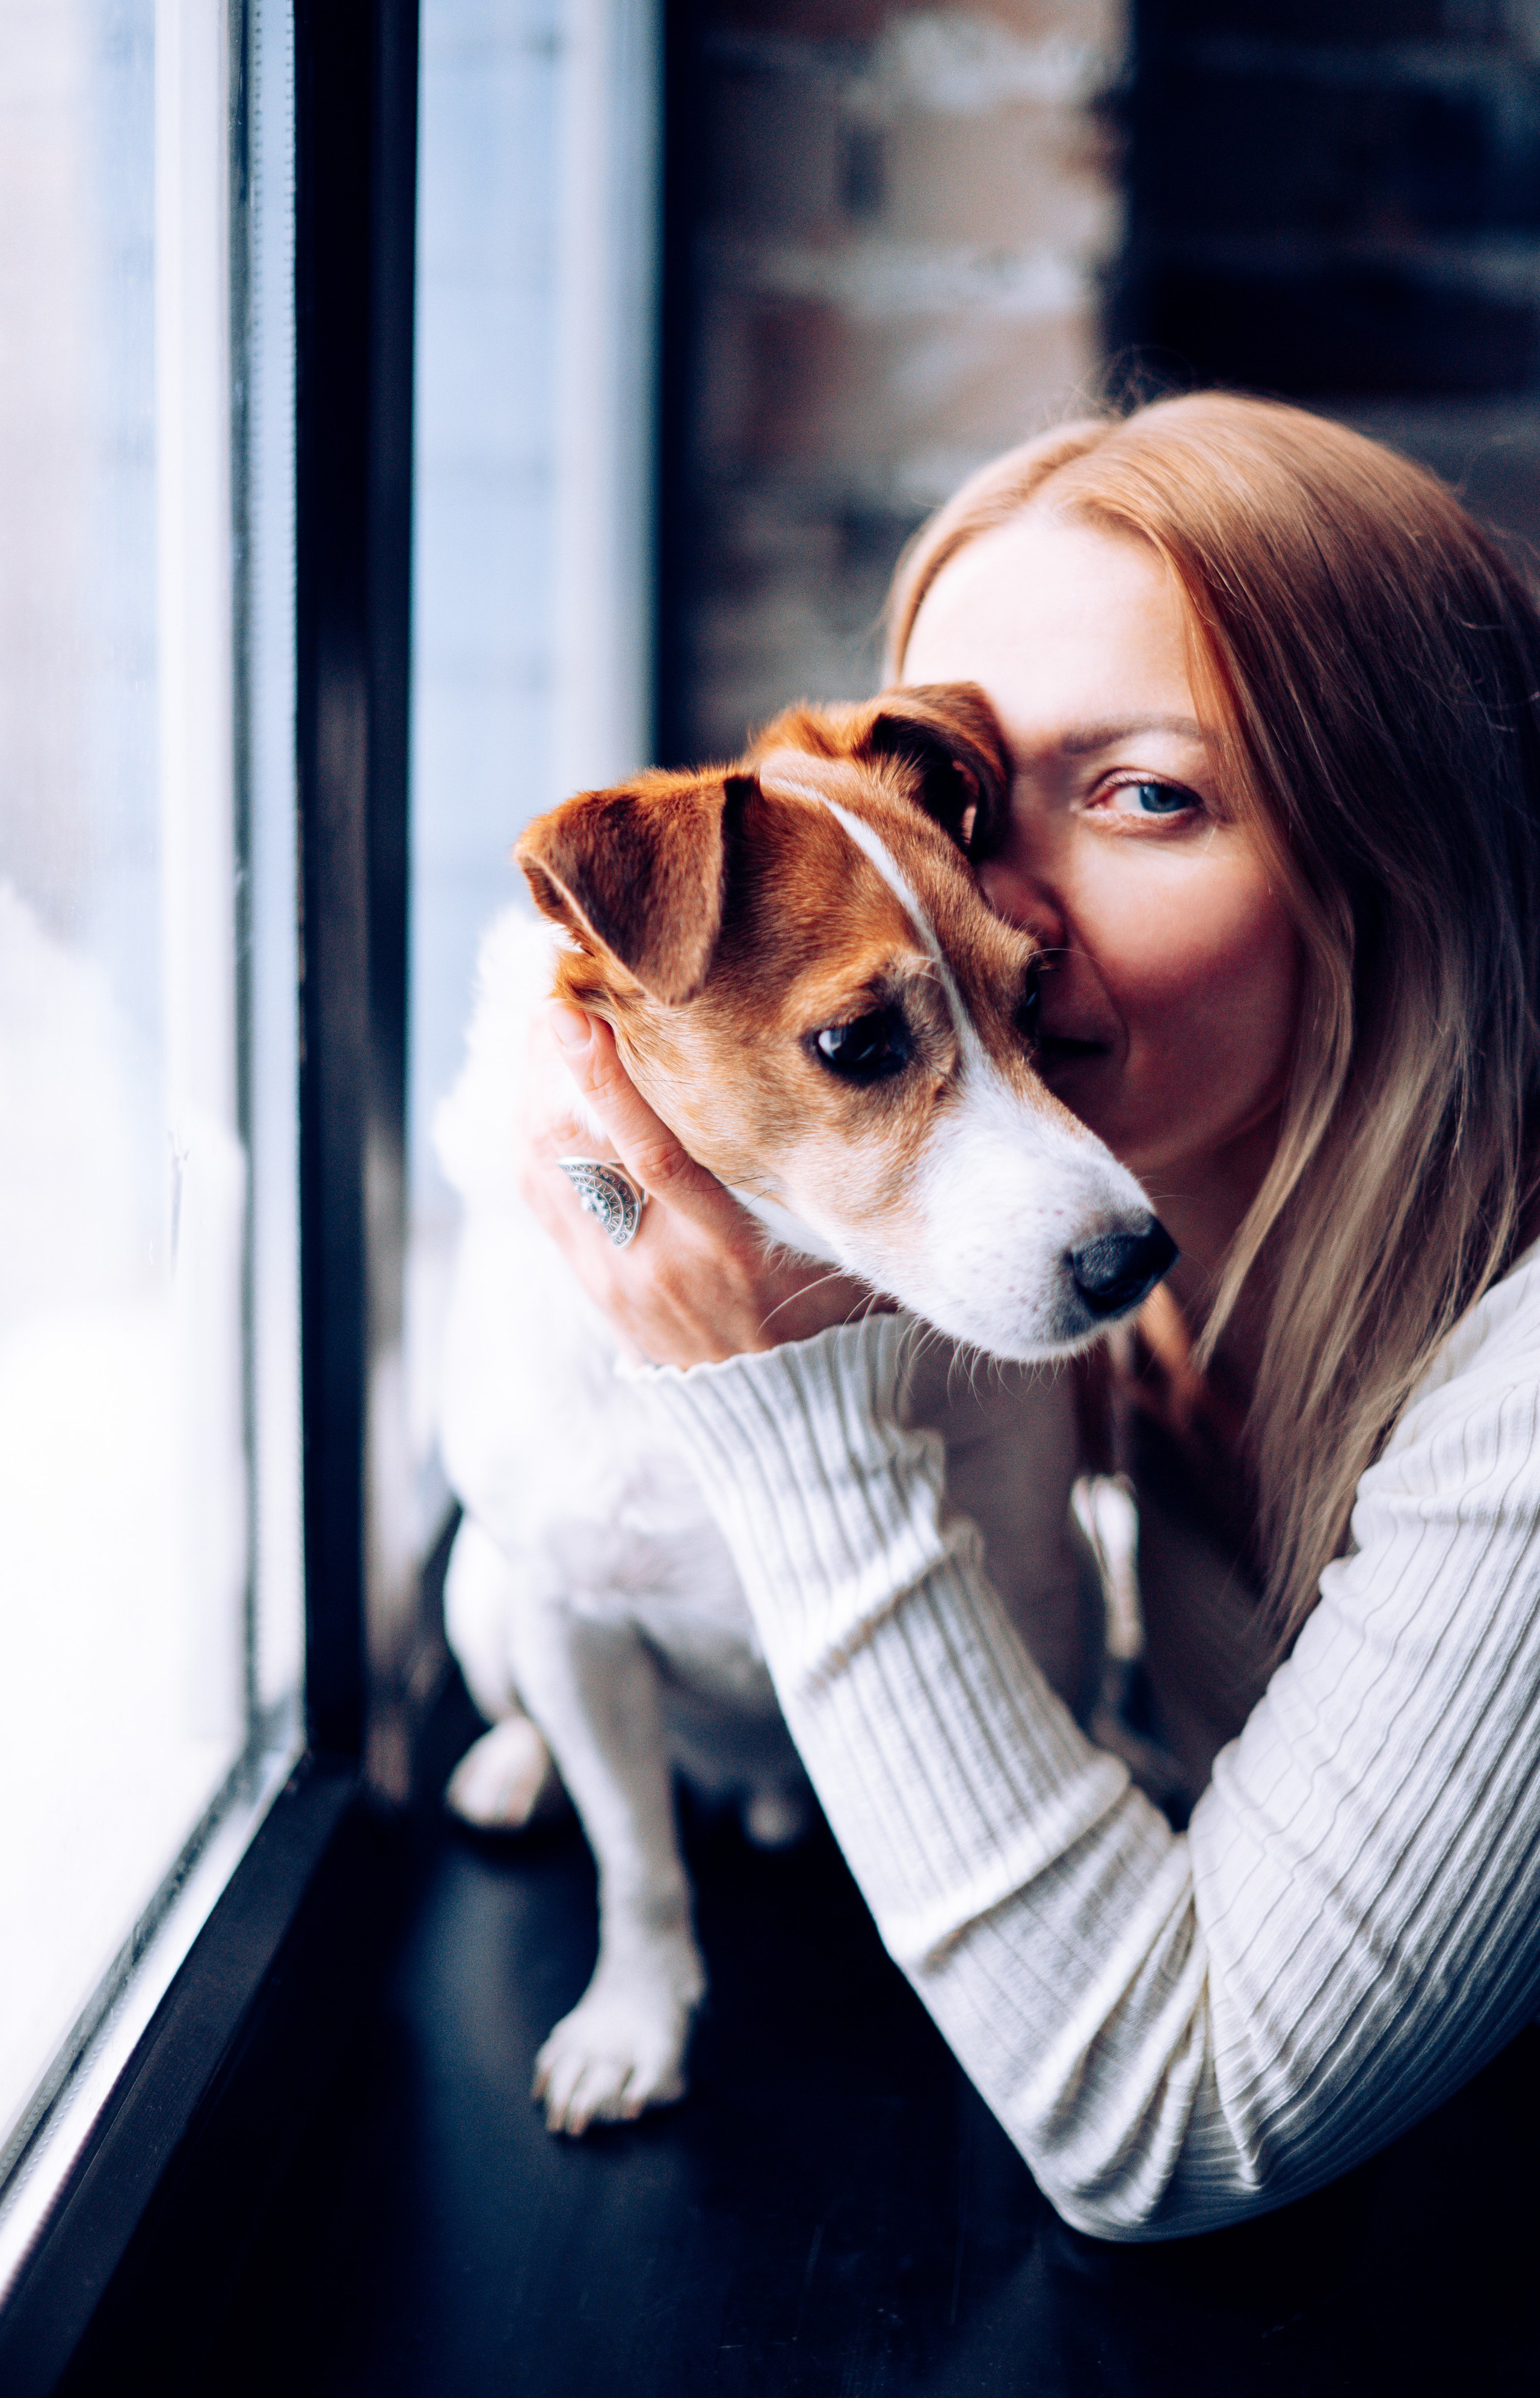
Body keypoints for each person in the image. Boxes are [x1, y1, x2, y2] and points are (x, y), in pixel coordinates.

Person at [514, 394, 1540, 2238]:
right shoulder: (1140, 1276)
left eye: (1146, 793)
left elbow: (1177, 2125)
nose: (995, 907)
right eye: (955, 787)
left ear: (1400, 861)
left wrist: (784, 1397)